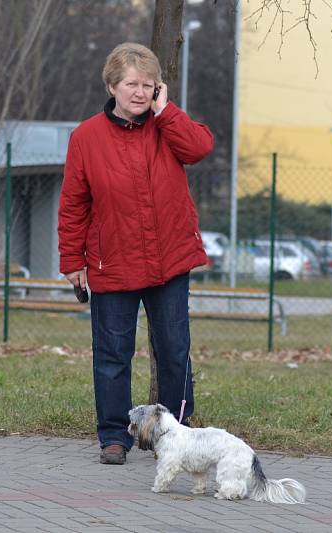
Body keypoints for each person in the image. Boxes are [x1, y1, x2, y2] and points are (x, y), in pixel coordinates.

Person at [57, 42, 214, 465]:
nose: (139, 93)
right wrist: (72, 260)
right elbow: (73, 202)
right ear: (113, 86)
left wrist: (168, 113)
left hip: (170, 263)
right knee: (112, 353)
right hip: (112, 264)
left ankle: (178, 430)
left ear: (158, 89)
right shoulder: (85, 137)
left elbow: (200, 148)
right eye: (131, 84)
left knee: (174, 348)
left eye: (148, 85)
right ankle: (114, 436)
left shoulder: (169, 126)